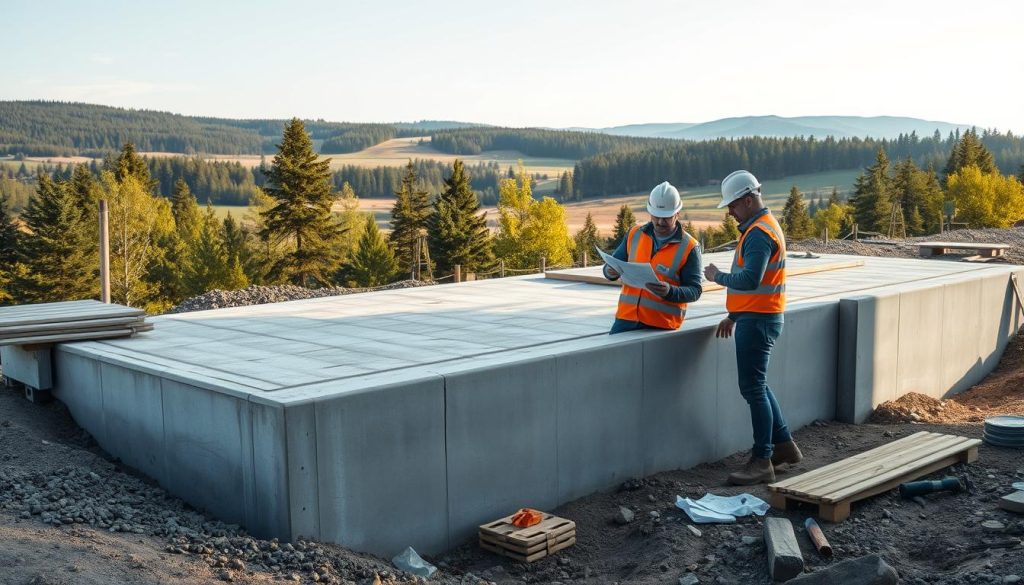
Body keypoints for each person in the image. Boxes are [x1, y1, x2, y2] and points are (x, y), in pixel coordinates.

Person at [703, 170, 802, 485]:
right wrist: (734, 315)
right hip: (756, 317)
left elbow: (750, 279)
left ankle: (762, 460)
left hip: (759, 321)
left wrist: (718, 277)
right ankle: (784, 447)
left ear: (748, 199)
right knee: (759, 386)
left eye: (732, 205)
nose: (730, 212)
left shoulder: (759, 233)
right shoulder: (762, 227)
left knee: (753, 389)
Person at [604, 181, 702, 334]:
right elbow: (613, 264)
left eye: (666, 217)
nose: (660, 222)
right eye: (656, 217)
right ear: (650, 212)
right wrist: (609, 272)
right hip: (625, 319)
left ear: (677, 214)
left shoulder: (689, 247)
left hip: (662, 325)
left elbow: (695, 290)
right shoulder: (634, 234)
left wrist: (670, 291)